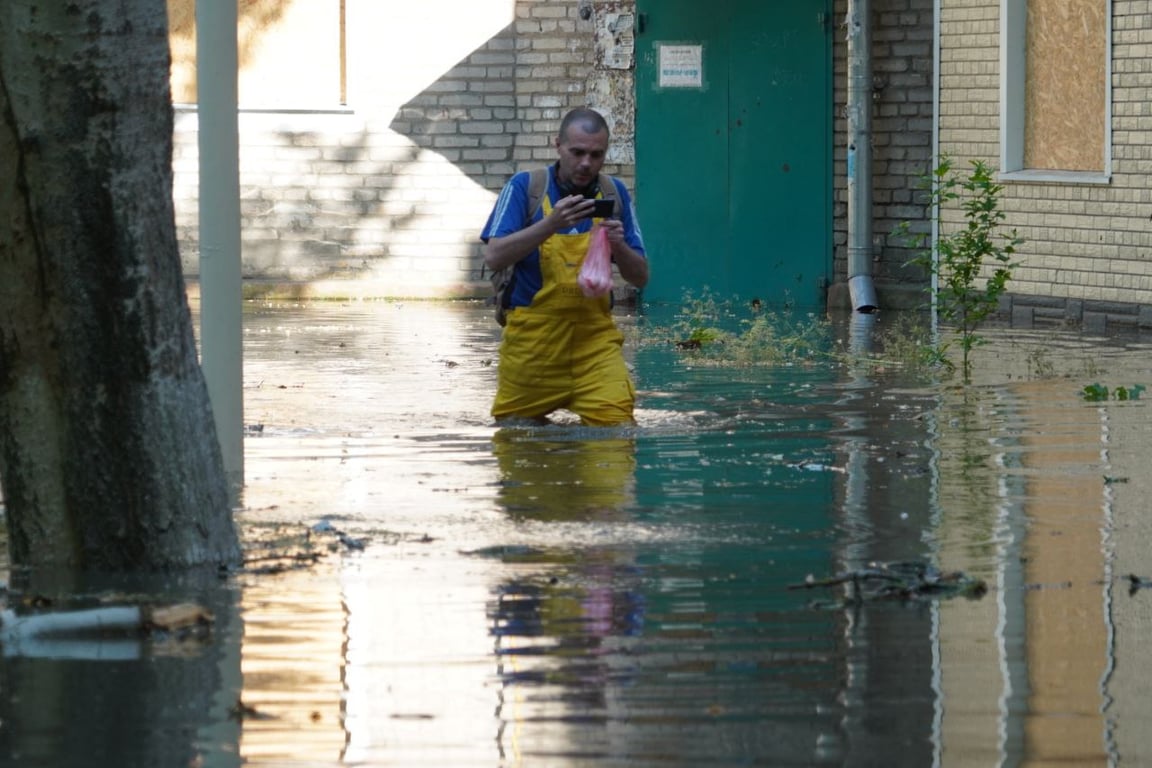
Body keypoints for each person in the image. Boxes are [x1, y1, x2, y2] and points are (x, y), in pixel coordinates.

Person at [480, 107, 648, 426]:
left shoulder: (614, 194)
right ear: (557, 145)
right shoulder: (525, 188)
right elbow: (494, 256)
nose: (586, 163)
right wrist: (551, 224)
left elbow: (640, 277)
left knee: (615, 437)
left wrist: (619, 246)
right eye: (577, 152)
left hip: (595, 345)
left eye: (596, 155)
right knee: (519, 440)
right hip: (532, 347)